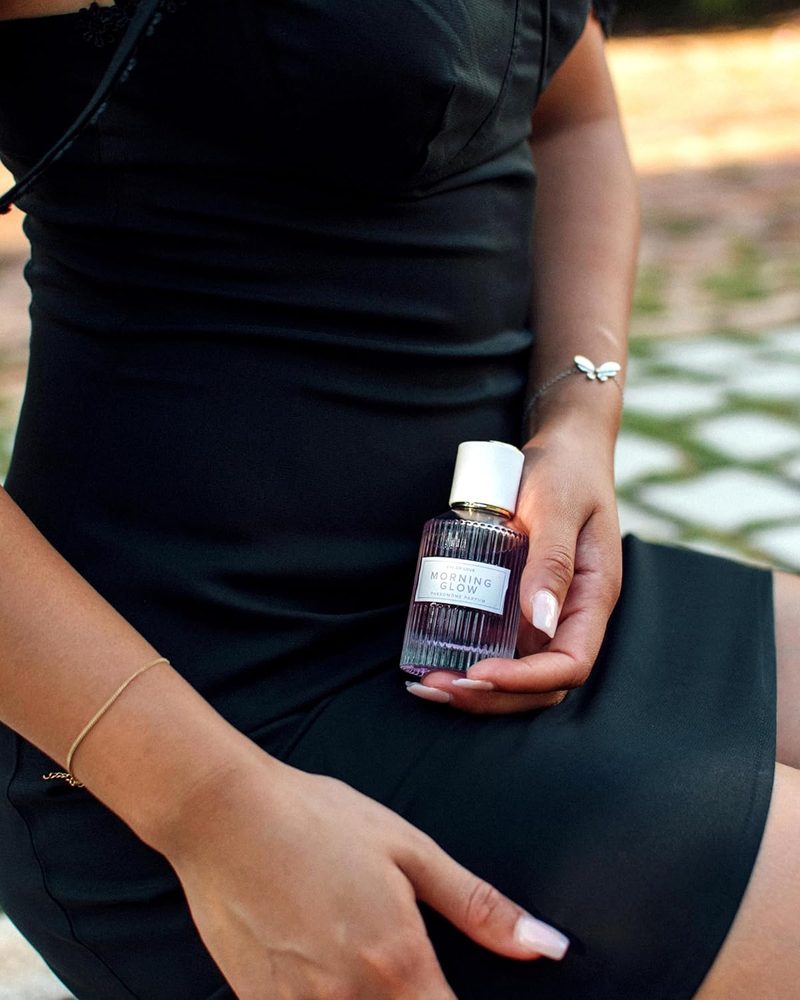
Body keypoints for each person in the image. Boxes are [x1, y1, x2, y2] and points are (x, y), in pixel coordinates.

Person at [0, 1, 798, 997]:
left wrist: (576, 420)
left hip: (479, 603)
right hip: (197, 709)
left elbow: (571, 112)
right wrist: (211, 808)